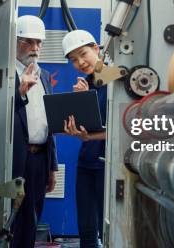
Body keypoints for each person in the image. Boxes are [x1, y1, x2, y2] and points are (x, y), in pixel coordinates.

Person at [11, 15, 58, 248]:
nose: (35, 48)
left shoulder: (45, 77)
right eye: (29, 42)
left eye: (39, 42)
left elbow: (49, 125)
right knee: (12, 217)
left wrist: (52, 166)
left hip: (40, 159)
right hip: (16, 159)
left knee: (33, 217)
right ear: (15, 41)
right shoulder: (7, 74)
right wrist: (19, 92)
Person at [61, 30, 107, 248]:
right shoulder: (87, 83)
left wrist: (89, 135)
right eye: (73, 60)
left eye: (83, 54)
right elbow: (87, 126)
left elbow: (121, 128)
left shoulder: (115, 79)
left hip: (106, 164)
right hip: (86, 162)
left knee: (106, 226)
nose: (80, 62)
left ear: (96, 49)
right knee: (86, 229)